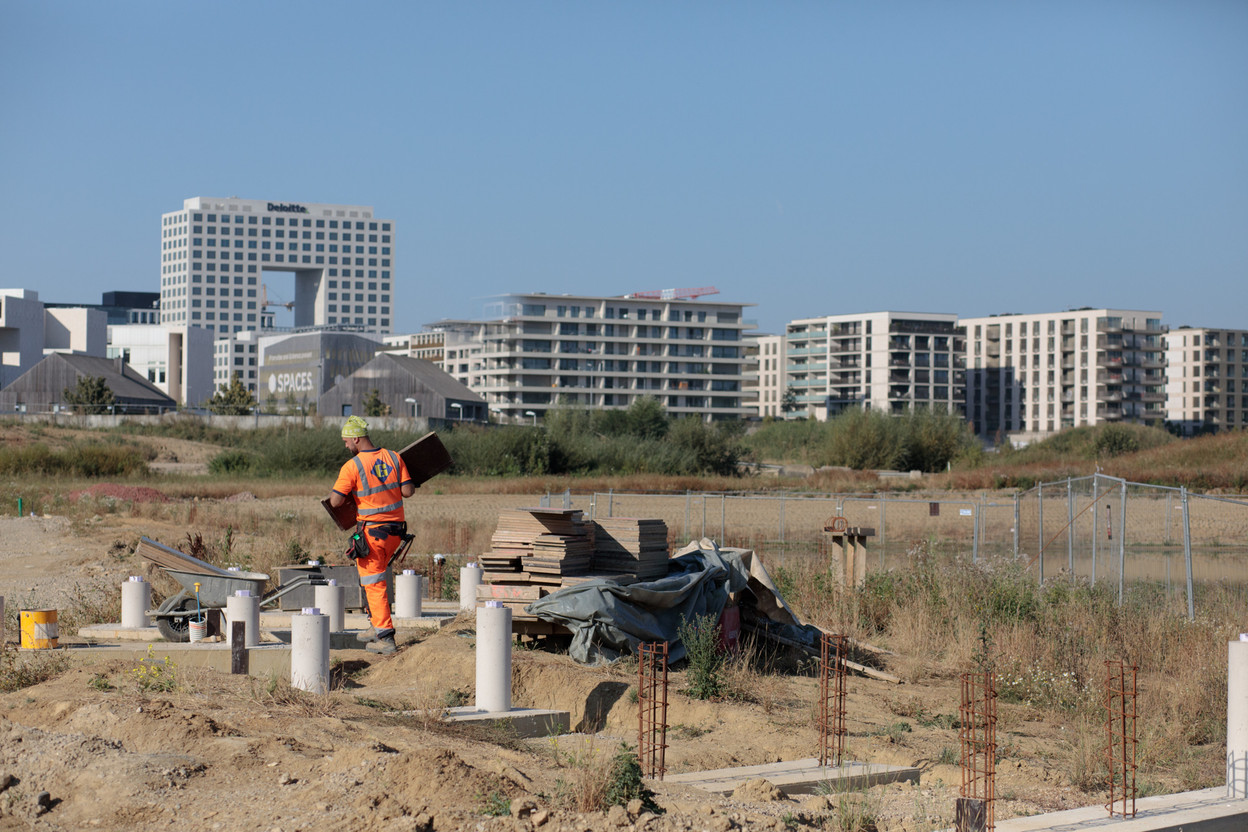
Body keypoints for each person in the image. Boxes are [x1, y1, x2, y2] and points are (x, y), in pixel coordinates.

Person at [327, 415, 415, 655]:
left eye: (346, 441)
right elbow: (408, 491)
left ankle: (386, 637)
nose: (346, 445)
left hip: (373, 534)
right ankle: (375, 625)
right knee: (370, 578)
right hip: (395, 532)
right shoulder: (394, 457)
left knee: (373, 584)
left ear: (356, 438)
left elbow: (335, 501)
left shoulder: (352, 466)